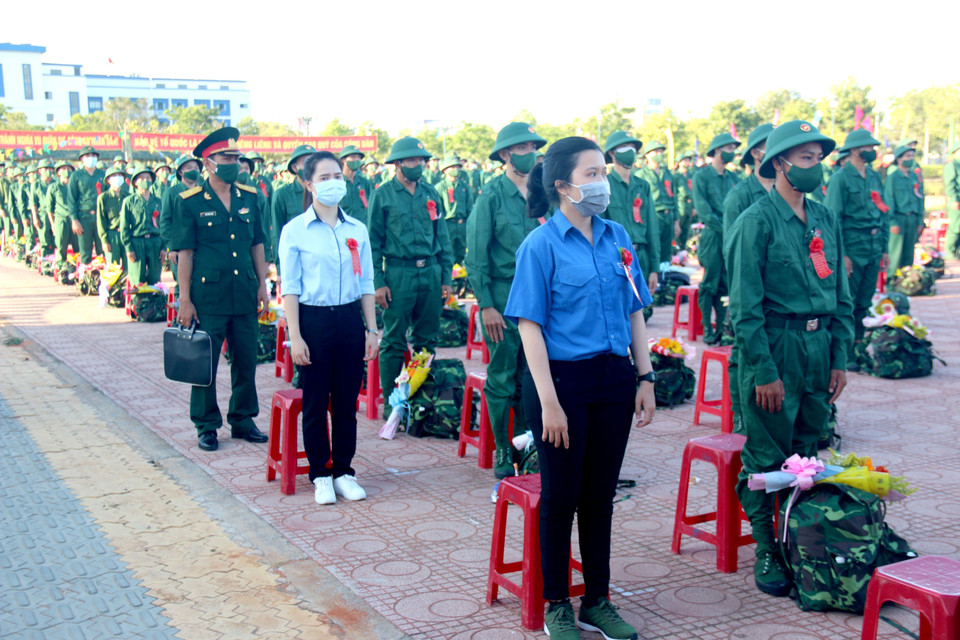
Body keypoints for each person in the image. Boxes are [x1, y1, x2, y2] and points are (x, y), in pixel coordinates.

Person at [505, 137, 655, 640]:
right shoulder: (541, 245)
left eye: (602, 171)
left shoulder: (617, 236)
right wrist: (548, 402)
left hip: (614, 379)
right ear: (564, 186)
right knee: (561, 497)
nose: (602, 182)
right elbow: (529, 327)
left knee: (599, 496)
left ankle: (597, 600)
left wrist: (645, 376)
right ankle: (556, 605)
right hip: (561, 384)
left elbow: (635, 309)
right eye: (592, 174)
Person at [727, 120, 853, 598]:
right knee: (767, 455)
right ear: (779, 162)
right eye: (804, 158)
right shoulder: (755, 222)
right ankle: (765, 548)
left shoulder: (824, 217)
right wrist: (763, 370)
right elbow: (744, 308)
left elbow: (840, 295)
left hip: (819, 348)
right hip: (775, 347)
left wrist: (840, 356)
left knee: (807, 453)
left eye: (817, 158)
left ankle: (797, 537)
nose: (814, 167)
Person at [279, 151, 379, 505]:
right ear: (308, 184)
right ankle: (320, 473)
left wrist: (372, 329)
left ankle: (344, 472)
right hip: (314, 319)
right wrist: (295, 335)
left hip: (350, 320)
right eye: (324, 177)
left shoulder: (358, 229)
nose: (333, 182)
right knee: (316, 401)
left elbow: (366, 281)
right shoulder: (295, 231)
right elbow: (289, 287)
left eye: (337, 175)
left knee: (346, 401)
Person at [172, 128, 271, 451]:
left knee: (245, 359)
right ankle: (207, 424)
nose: (234, 163)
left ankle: (242, 419)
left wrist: (262, 284)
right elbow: (184, 253)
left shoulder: (250, 197)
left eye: (237, 158)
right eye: (227, 158)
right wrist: (184, 299)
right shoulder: (189, 202)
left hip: (243, 291)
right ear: (208, 163)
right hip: (208, 295)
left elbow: (257, 244)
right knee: (206, 362)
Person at [465, 121, 547, 478]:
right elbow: (477, 256)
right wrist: (486, 306)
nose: (530, 154)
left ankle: (533, 445)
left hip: (541, 296)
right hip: (503, 295)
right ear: (505, 154)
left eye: (533, 147)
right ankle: (503, 449)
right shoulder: (492, 196)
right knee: (502, 377)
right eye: (522, 148)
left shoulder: (544, 192)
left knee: (537, 374)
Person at [366, 137, 453, 416]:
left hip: (430, 271)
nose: (420, 165)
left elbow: (443, 238)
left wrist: (446, 277)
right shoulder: (383, 195)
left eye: (422, 161)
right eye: (414, 161)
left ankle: (417, 398)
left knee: (427, 339)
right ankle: (393, 403)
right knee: (393, 340)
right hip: (397, 273)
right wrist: (378, 283)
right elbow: (372, 242)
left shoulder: (431, 193)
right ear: (398, 164)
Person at [721, 124, 775, 431]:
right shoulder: (739, 197)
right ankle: (742, 417)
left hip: (784, 292)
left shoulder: (791, 192)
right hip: (751, 289)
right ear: (757, 152)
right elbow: (734, 253)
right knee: (743, 352)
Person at [825, 129, 888, 371]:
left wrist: (883, 248)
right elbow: (834, 220)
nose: (871, 150)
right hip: (852, 246)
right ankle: (845, 353)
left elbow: (881, 212)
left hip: (872, 245)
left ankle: (859, 348)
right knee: (847, 303)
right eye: (867, 147)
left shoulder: (873, 177)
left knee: (864, 302)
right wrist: (843, 255)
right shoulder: (840, 179)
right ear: (853, 150)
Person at [693, 133, 740, 345]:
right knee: (709, 283)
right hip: (713, 236)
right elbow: (704, 212)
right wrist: (726, 230)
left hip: (731, 236)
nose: (732, 152)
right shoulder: (701, 177)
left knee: (725, 284)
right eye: (729, 148)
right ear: (718, 150)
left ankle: (721, 327)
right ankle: (706, 327)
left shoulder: (734, 179)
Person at [601, 130, 659, 291]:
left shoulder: (642, 186)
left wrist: (654, 268)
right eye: (624, 147)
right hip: (615, 258)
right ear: (612, 153)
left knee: (643, 310)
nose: (630, 151)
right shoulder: (605, 185)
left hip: (641, 256)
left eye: (632, 147)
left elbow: (652, 229)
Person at [159, 155, 203, 295]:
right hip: (179, 249)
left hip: (200, 247)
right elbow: (165, 222)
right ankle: (181, 315)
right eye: (189, 168)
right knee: (183, 285)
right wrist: (171, 247)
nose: (193, 170)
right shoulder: (172, 193)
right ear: (180, 172)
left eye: (196, 168)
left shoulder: (204, 192)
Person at [272, 145, 316, 270]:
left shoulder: (322, 192)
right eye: (305, 162)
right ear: (294, 167)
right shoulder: (282, 194)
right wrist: (280, 267)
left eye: (313, 161)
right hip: (295, 261)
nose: (310, 166)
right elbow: (277, 233)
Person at [884, 144, 925, 278]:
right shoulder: (893, 176)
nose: (910, 159)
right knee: (895, 253)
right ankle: (892, 280)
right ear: (899, 159)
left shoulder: (914, 176)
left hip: (912, 218)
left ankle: (906, 280)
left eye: (912, 156)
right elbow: (889, 199)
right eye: (908, 156)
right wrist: (892, 222)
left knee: (909, 252)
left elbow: (919, 198)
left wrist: (920, 220)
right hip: (899, 218)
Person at [120, 165, 165, 285]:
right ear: (135, 182)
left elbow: (165, 226)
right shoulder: (129, 202)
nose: (145, 181)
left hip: (155, 242)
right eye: (141, 178)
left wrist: (164, 247)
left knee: (155, 279)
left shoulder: (158, 202)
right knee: (137, 280)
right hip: (137, 242)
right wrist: (129, 248)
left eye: (148, 178)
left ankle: (153, 303)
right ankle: (139, 303)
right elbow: (124, 228)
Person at [636, 140, 678, 265]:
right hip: (653, 216)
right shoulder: (641, 175)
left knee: (666, 250)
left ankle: (665, 278)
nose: (659, 153)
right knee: (653, 248)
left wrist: (676, 221)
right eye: (655, 151)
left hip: (668, 215)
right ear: (647, 155)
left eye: (661, 151)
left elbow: (673, 197)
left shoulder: (667, 174)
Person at [67, 146, 106, 264]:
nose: (91, 158)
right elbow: (71, 199)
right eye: (88, 156)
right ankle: (85, 278)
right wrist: (74, 220)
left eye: (93, 156)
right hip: (83, 217)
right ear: (82, 159)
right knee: (85, 251)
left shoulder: (103, 174)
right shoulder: (76, 175)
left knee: (102, 251)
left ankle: (103, 279)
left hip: (100, 217)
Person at [435, 155, 473, 265]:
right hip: (447, 224)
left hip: (462, 224)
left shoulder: (464, 187)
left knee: (461, 251)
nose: (456, 170)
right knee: (447, 251)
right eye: (452, 167)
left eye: (458, 167)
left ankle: (460, 278)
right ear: (446, 170)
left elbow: (469, 207)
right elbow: (438, 210)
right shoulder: (439, 187)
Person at [47, 160, 76, 280]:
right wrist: (53, 224)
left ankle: (75, 271)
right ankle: (61, 272)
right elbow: (49, 208)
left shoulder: (76, 186)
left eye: (68, 168)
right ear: (58, 172)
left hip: (74, 220)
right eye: (63, 168)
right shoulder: (53, 187)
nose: (66, 171)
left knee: (77, 247)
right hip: (61, 220)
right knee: (61, 247)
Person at [97, 166, 129, 270]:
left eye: (120, 175)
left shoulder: (128, 197)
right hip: (112, 234)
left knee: (128, 266)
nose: (118, 178)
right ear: (108, 180)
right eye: (114, 176)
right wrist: (104, 240)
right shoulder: (103, 197)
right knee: (112, 267)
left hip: (126, 234)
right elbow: (101, 220)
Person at [338, 145, 373, 225]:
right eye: (353, 157)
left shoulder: (364, 182)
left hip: (362, 227)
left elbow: (371, 206)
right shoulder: (337, 183)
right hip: (343, 229)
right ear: (343, 160)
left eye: (359, 158)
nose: (357, 160)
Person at [674, 150, 697, 247]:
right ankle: (677, 248)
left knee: (686, 229)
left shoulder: (691, 176)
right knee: (679, 228)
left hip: (689, 204)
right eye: (684, 160)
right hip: (680, 204)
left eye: (688, 161)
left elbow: (694, 192)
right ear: (679, 162)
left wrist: (694, 207)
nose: (687, 163)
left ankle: (684, 248)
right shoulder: (675, 176)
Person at [944, 140, 960, 260]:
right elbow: (950, 184)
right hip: (957, 200)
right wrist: (954, 199)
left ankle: (956, 251)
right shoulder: (952, 165)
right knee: (955, 226)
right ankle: (950, 251)